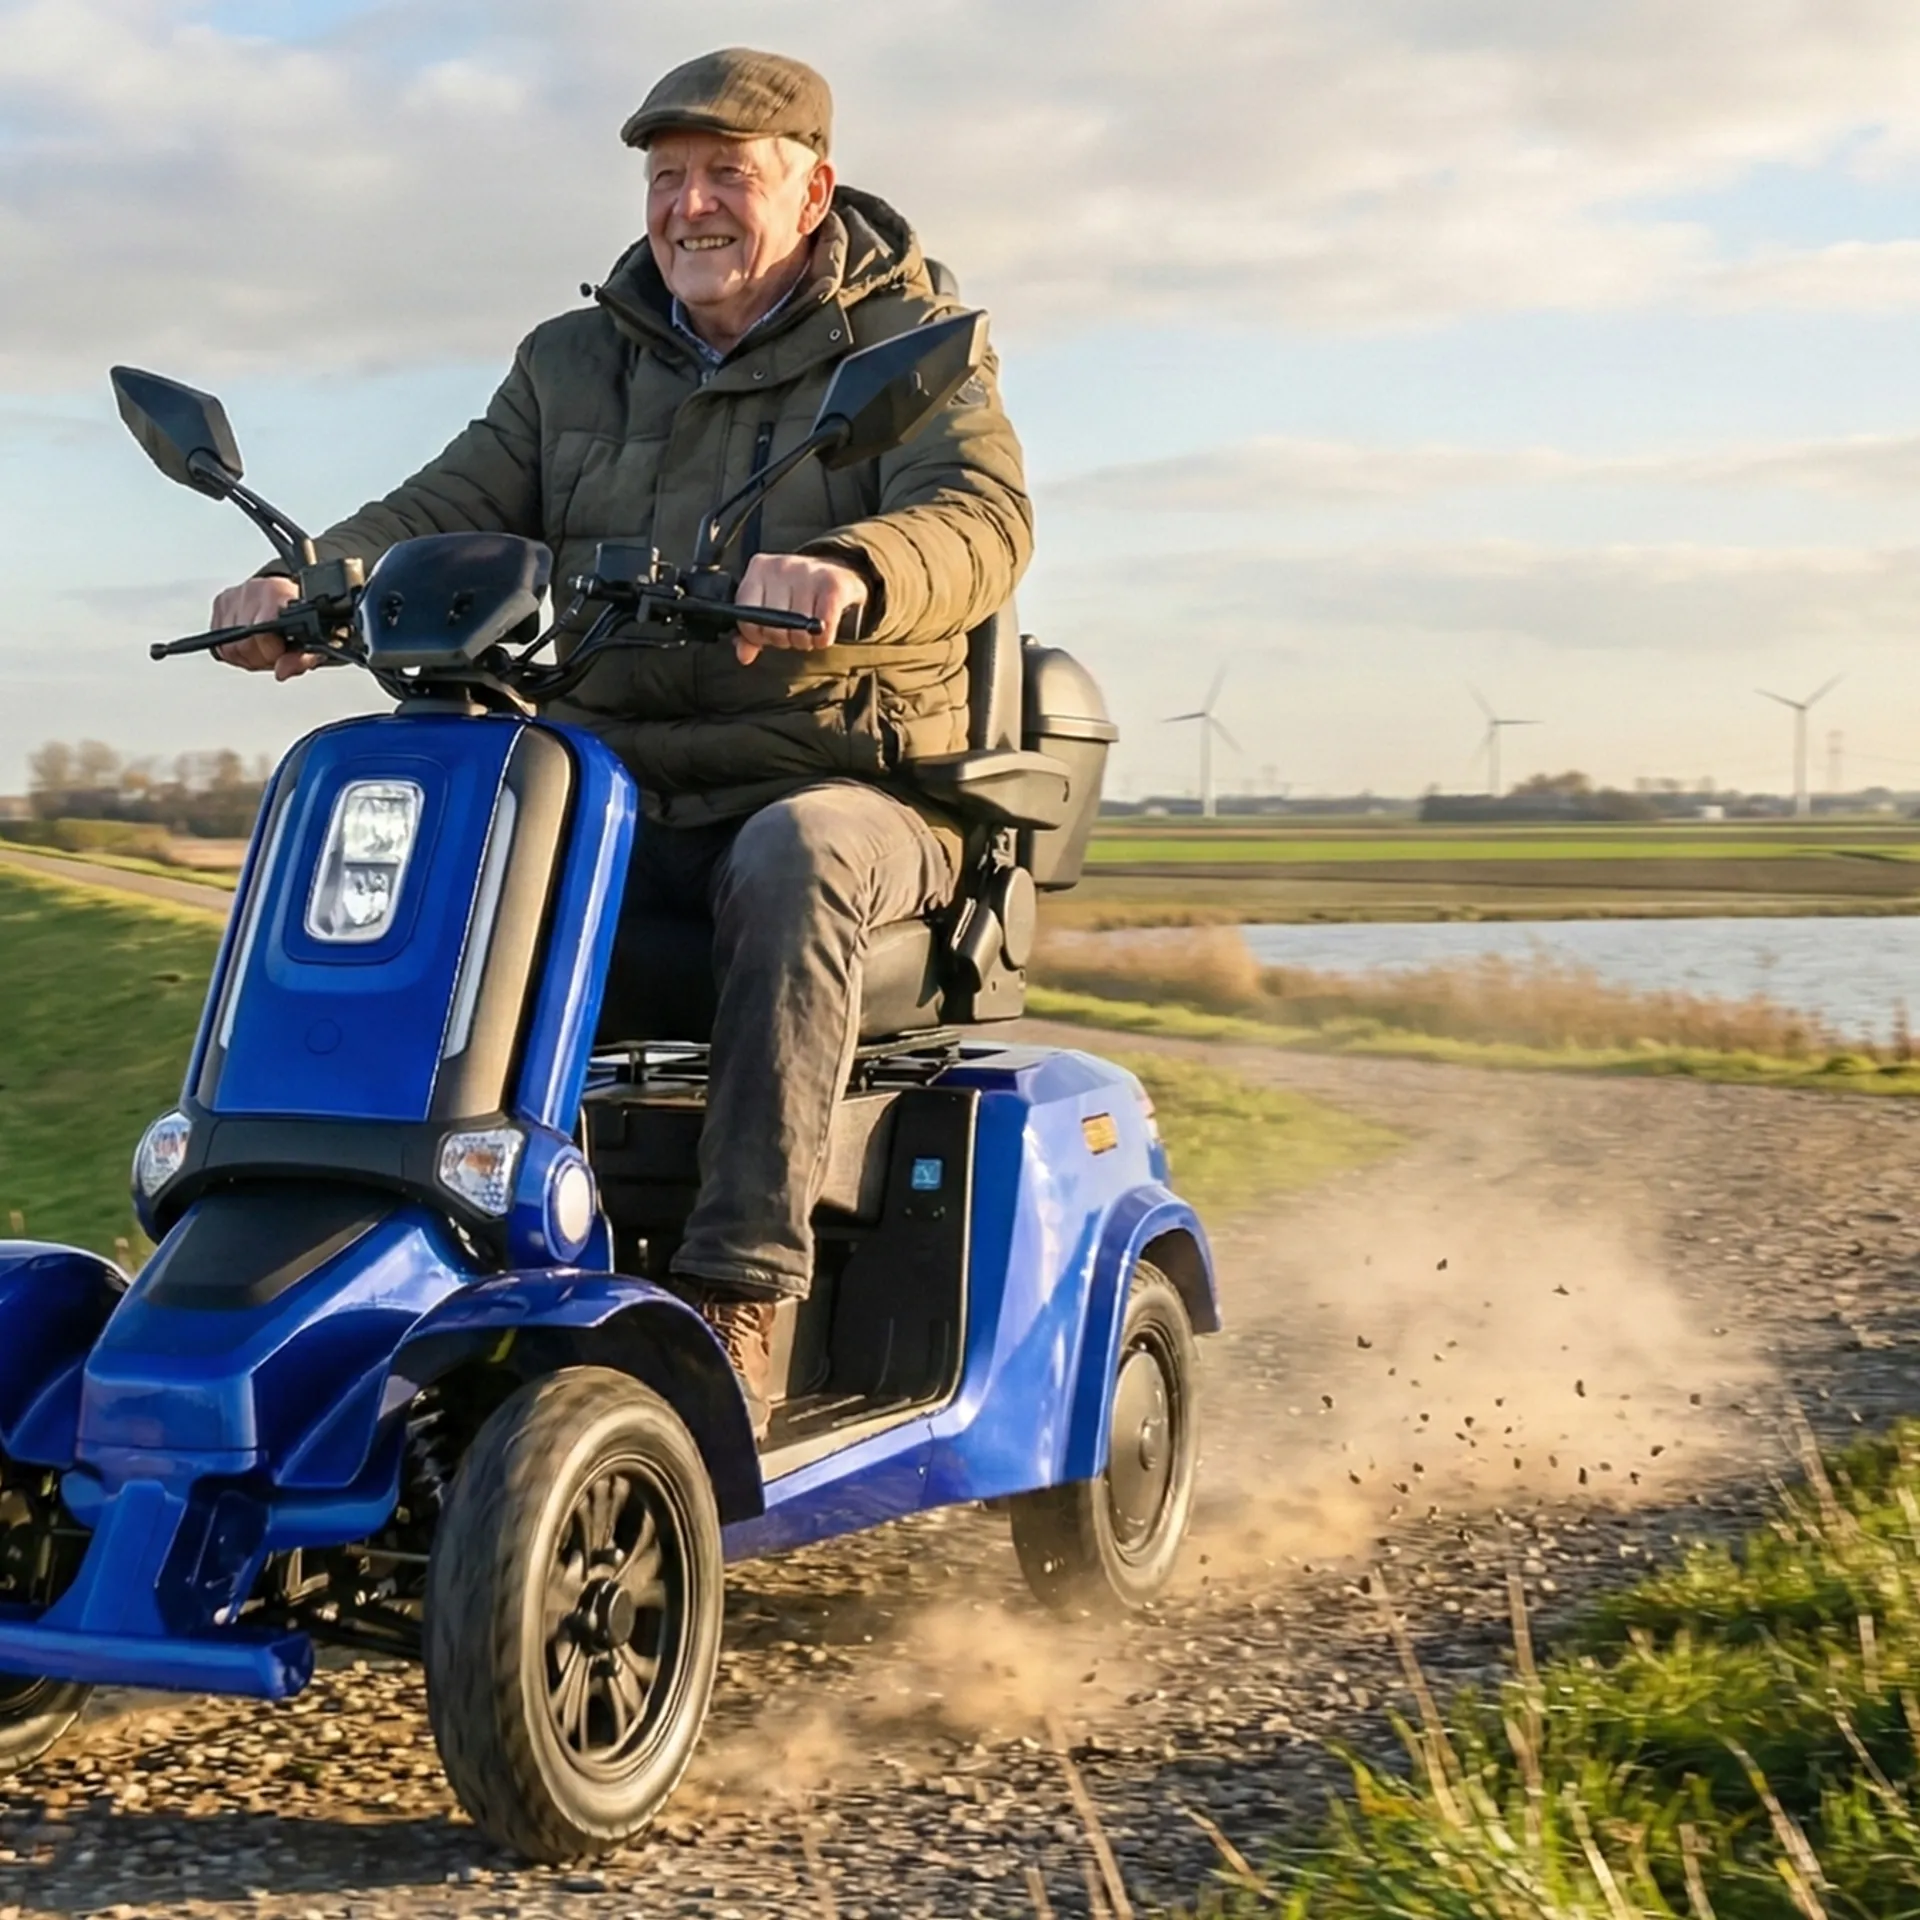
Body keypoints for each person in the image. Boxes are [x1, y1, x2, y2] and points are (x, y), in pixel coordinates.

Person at [207, 48, 1032, 1435]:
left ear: (813, 186)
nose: (691, 207)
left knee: (796, 856)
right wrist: (316, 581)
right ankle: (383, 1248)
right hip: (617, 786)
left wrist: (854, 565)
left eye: (727, 175)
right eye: (668, 179)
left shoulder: (916, 348)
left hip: (847, 782)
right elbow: (450, 497)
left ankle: (741, 1294)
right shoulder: (573, 359)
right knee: (445, 847)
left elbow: (979, 517)